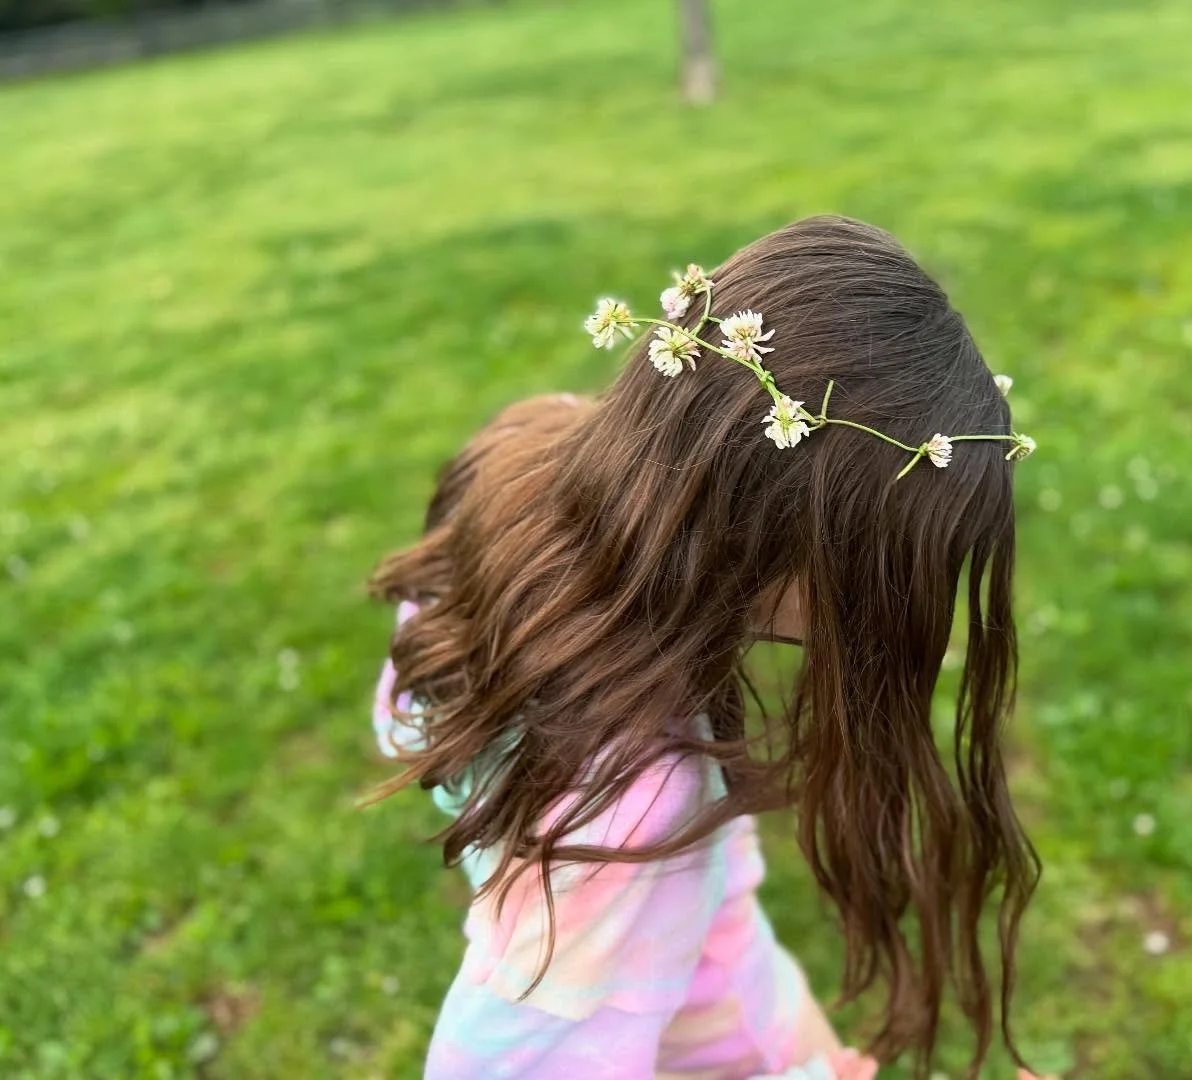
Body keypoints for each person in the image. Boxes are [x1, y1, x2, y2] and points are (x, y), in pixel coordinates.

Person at [369, 216, 1041, 1079]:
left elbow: (411, 701)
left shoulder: (531, 453)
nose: (912, 598)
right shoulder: (632, 810)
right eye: (895, 563)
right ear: (769, 532)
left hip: (698, 964)